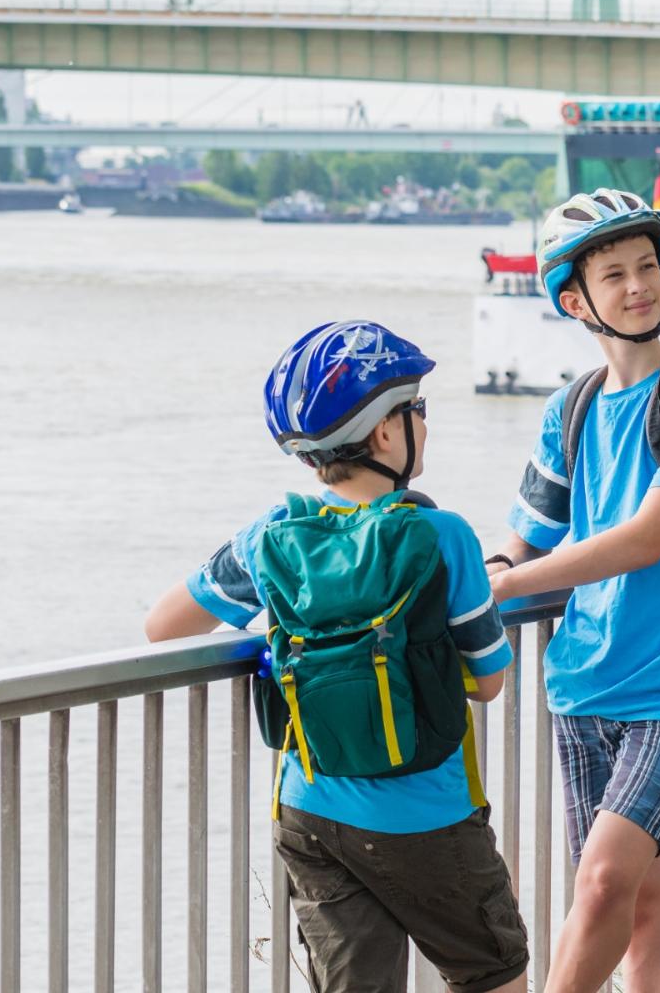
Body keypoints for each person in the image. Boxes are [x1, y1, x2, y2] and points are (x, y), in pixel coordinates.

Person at [142, 321, 527, 993]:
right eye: (419, 410)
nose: (425, 426)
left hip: (309, 810)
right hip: (424, 814)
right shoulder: (441, 535)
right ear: (385, 431)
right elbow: (490, 680)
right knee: (494, 974)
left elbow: (164, 626)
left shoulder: (271, 536)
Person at [490, 187, 660, 993]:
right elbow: (519, 547)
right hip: (582, 684)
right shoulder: (568, 409)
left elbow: (646, 538)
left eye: (648, 267)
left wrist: (496, 590)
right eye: (615, 275)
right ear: (575, 299)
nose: (640, 286)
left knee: (603, 882)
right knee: (645, 903)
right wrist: (482, 577)